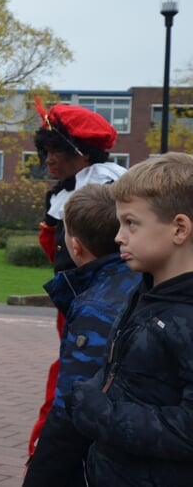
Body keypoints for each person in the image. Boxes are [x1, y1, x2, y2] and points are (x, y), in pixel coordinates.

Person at [67, 152, 193, 485]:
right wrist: (89, 390)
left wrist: (100, 413)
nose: (118, 237)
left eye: (131, 223)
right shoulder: (144, 293)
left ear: (179, 228)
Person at [22, 184, 141, 486]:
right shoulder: (144, 280)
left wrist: (40, 474)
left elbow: (72, 407)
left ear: (74, 246)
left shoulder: (96, 306)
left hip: (103, 460)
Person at [27, 100, 126, 459]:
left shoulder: (104, 187)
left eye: (57, 149)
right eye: (45, 149)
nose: (48, 158)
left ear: (81, 152)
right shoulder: (65, 189)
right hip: (76, 299)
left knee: (78, 382)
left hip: (102, 300)